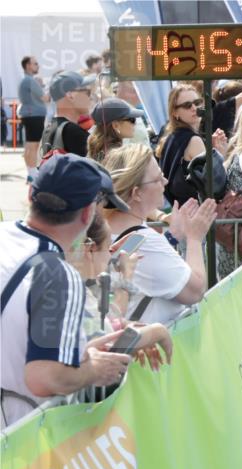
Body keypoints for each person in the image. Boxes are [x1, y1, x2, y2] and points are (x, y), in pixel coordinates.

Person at [0, 154, 133, 428]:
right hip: (14, 446)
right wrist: (93, 370)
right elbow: (45, 376)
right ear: (87, 214)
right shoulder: (57, 274)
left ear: (30, 193)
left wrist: (82, 354)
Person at [103, 144, 217, 325]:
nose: (165, 181)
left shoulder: (110, 230)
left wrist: (173, 236)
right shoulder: (146, 240)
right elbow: (195, 291)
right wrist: (194, 238)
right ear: (136, 193)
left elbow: (141, 260)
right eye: (157, 179)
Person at [68, 216, 173, 372]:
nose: (111, 255)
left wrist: (129, 330)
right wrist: (156, 332)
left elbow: (106, 323)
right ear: (90, 250)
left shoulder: (71, 282)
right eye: (108, 248)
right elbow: (101, 346)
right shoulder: (72, 292)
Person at [156, 84, 226, 206]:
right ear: (175, 113)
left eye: (197, 102)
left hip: (182, 209)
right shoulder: (193, 140)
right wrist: (220, 155)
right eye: (187, 105)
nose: (194, 108)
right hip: (196, 212)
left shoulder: (170, 135)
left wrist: (212, 151)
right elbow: (215, 185)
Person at [40, 71, 94, 158]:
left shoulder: (50, 128)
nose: (91, 97)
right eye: (87, 92)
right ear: (70, 96)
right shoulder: (73, 133)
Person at [18, 56, 49, 181]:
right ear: (28, 66)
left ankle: (30, 173)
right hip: (34, 115)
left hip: (31, 115)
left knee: (30, 145)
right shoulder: (30, 81)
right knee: (33, 145)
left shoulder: (28, 80)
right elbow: (45, 98)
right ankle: (32, 173)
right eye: (35, 64)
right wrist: (54, 88)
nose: (38, 66)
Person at [87, 97, 144, 164]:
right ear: (115, 125)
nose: (135, 124)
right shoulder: (118, 156)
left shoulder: (99, 151)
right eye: (132, 120)